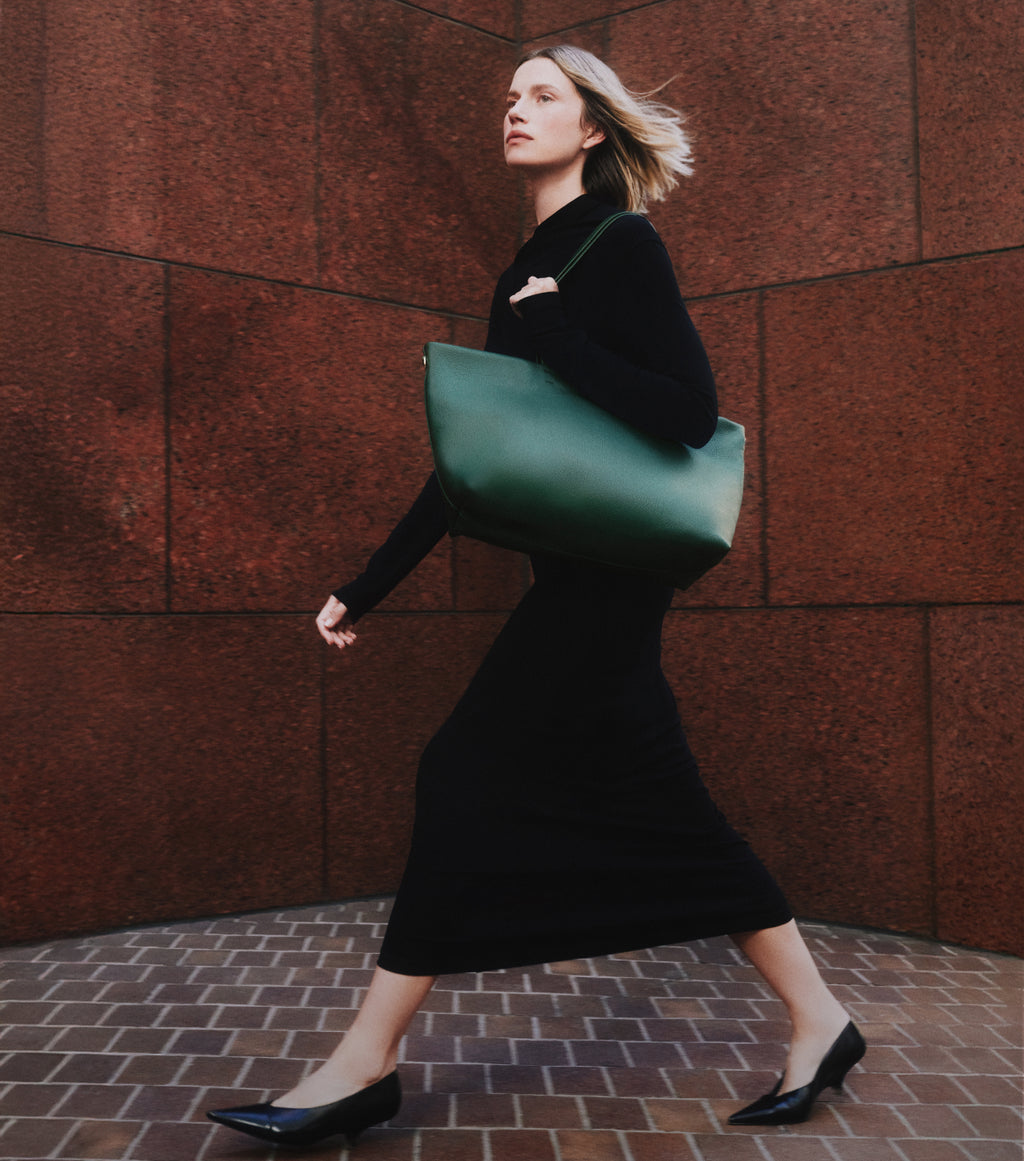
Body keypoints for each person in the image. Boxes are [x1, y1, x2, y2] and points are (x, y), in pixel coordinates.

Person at [208, 45, 864, 1148]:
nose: (516, 112)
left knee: (461, 769)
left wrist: (556, 333)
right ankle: (823, 1019)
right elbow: (484, 458)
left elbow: (689, 413)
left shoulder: (617, 244)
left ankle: (364, 1066)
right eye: (510, 98)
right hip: (580, 583)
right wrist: (366, 584)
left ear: (594, 128)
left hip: (607, 589)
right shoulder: (533, 254)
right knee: (664, 805)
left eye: (543, 96)